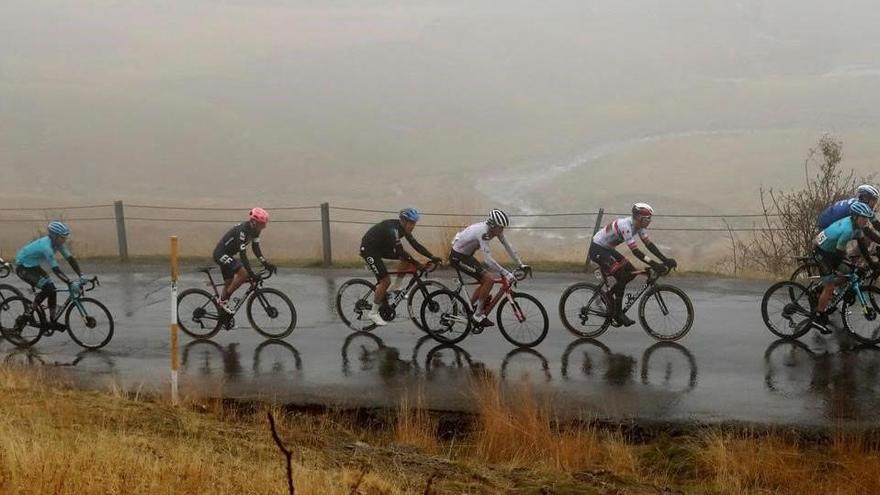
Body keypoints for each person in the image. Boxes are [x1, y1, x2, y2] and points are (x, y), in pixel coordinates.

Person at [588, 203, 677, 327]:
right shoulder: (626, 226)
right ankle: (618, 313)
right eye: (648, 218)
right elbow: (635, 252)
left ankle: (608, 296)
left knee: (631, 272)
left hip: (607, 249)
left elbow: (649, 245)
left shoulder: (639, 226)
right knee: (621, 275)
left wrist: (665, 260)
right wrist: (655, 264)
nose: (650, 221)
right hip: (597, 249)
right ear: (640, 217)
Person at [359, 208, 442, 326]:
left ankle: (396, 287)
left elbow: (416, 245)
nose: (413, 226)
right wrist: (417, 264)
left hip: (381, 248)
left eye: (414, 223)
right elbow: (400, 251)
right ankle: (373, 312)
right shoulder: (393, 230)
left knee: (406, 259)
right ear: (403, 221)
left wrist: (432, 256)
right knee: (385, 280)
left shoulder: (403, 229)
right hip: (369, 250)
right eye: (411, 223)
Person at [449, 209, 530, 328]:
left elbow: (508, 246)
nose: (502, 230)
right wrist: (506, 273)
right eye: (500, 227)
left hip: (467, 256)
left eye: (503, 228)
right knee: (489, 280)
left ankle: (465, 308)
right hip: (458, 257)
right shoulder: (483, 232)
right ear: (493, 225)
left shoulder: (495, 230)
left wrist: (520, 264)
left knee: (485, 281)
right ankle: (478, 315)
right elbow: (487, 260)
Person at [805, 201, 878, 331]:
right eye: (864, 218)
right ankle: (818, 316)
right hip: (822, 252)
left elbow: (862, 246)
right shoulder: (847, 230)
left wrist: (871, 264)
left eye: (867, 218)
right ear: (855, 217)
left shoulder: (857, 227)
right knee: (830, 286)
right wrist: (855, 267)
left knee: (849, 273)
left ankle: (820, 289)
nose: (866, 221)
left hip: (833, 251)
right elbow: (839, 257)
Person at [14, 221, 84, 330]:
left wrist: (81, 275)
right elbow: (56, 269)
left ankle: (52, 321)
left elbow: (70, 259)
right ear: (54, 236)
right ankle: (26, 316)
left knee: (53, 290)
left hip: (33, 265)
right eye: (62, 237)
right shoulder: (46, 247)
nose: (65, 240)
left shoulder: (57, 243)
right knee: (48, 288)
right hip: (23, 267)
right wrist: (70, 282)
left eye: (66, 237)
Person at [213, 208, 277, 313]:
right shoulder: (242, 231)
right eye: (262, 224)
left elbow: (256, 249)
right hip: (220, 254)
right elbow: (243, 255)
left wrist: (266, 263)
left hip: (228, 255)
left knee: (229, 282)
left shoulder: (255, 230)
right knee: (244, 274)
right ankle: (223, 301)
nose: (264, 226)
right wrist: (251, 273)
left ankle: (222, 313)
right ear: (254, 222)